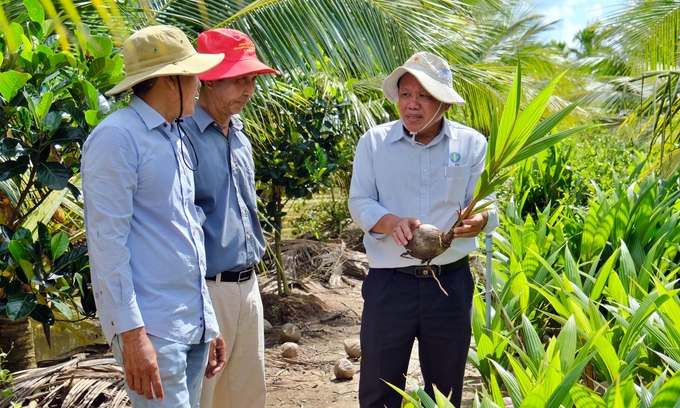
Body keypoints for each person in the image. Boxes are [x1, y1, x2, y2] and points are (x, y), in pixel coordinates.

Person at [82, 25, 227, 407]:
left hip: (188, 324)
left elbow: (186, 232)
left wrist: (207, 322)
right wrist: (131, 335)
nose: (200, 84)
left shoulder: (173, 134)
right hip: (154, 330)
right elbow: (106, 245)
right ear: (169, 81)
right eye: (193, 75)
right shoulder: (116, 138)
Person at [348, 52, 499, 408]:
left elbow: (490, 205)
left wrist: (479, 221)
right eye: (405, 94)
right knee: (379, 389)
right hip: (390, 284)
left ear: (444, 102)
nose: (411, 105)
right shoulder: (374, 142)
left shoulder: (471, 144)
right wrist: (391, 222)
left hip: (450, 284)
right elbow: (360, 201)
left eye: (424, 95)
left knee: (445, 392)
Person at [181, 28, 280, 408]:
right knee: (205, 394)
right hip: (206, 289)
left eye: (252, 79)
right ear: (207, 77)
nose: (249, 89)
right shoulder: (181, 138)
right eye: (239, 79)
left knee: (247, 392)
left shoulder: (239, 136)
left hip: (248, 284)